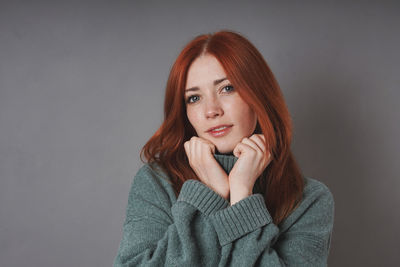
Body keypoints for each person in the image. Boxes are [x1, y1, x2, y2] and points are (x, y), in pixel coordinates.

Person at [113, 30, 334, 266]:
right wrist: (208, 194)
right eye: (194, 98)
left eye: (227, 89)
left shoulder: (309, 199)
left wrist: (241, 194)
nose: (211, 110)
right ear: (185, 112)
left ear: (258, 96)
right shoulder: (156, 182)